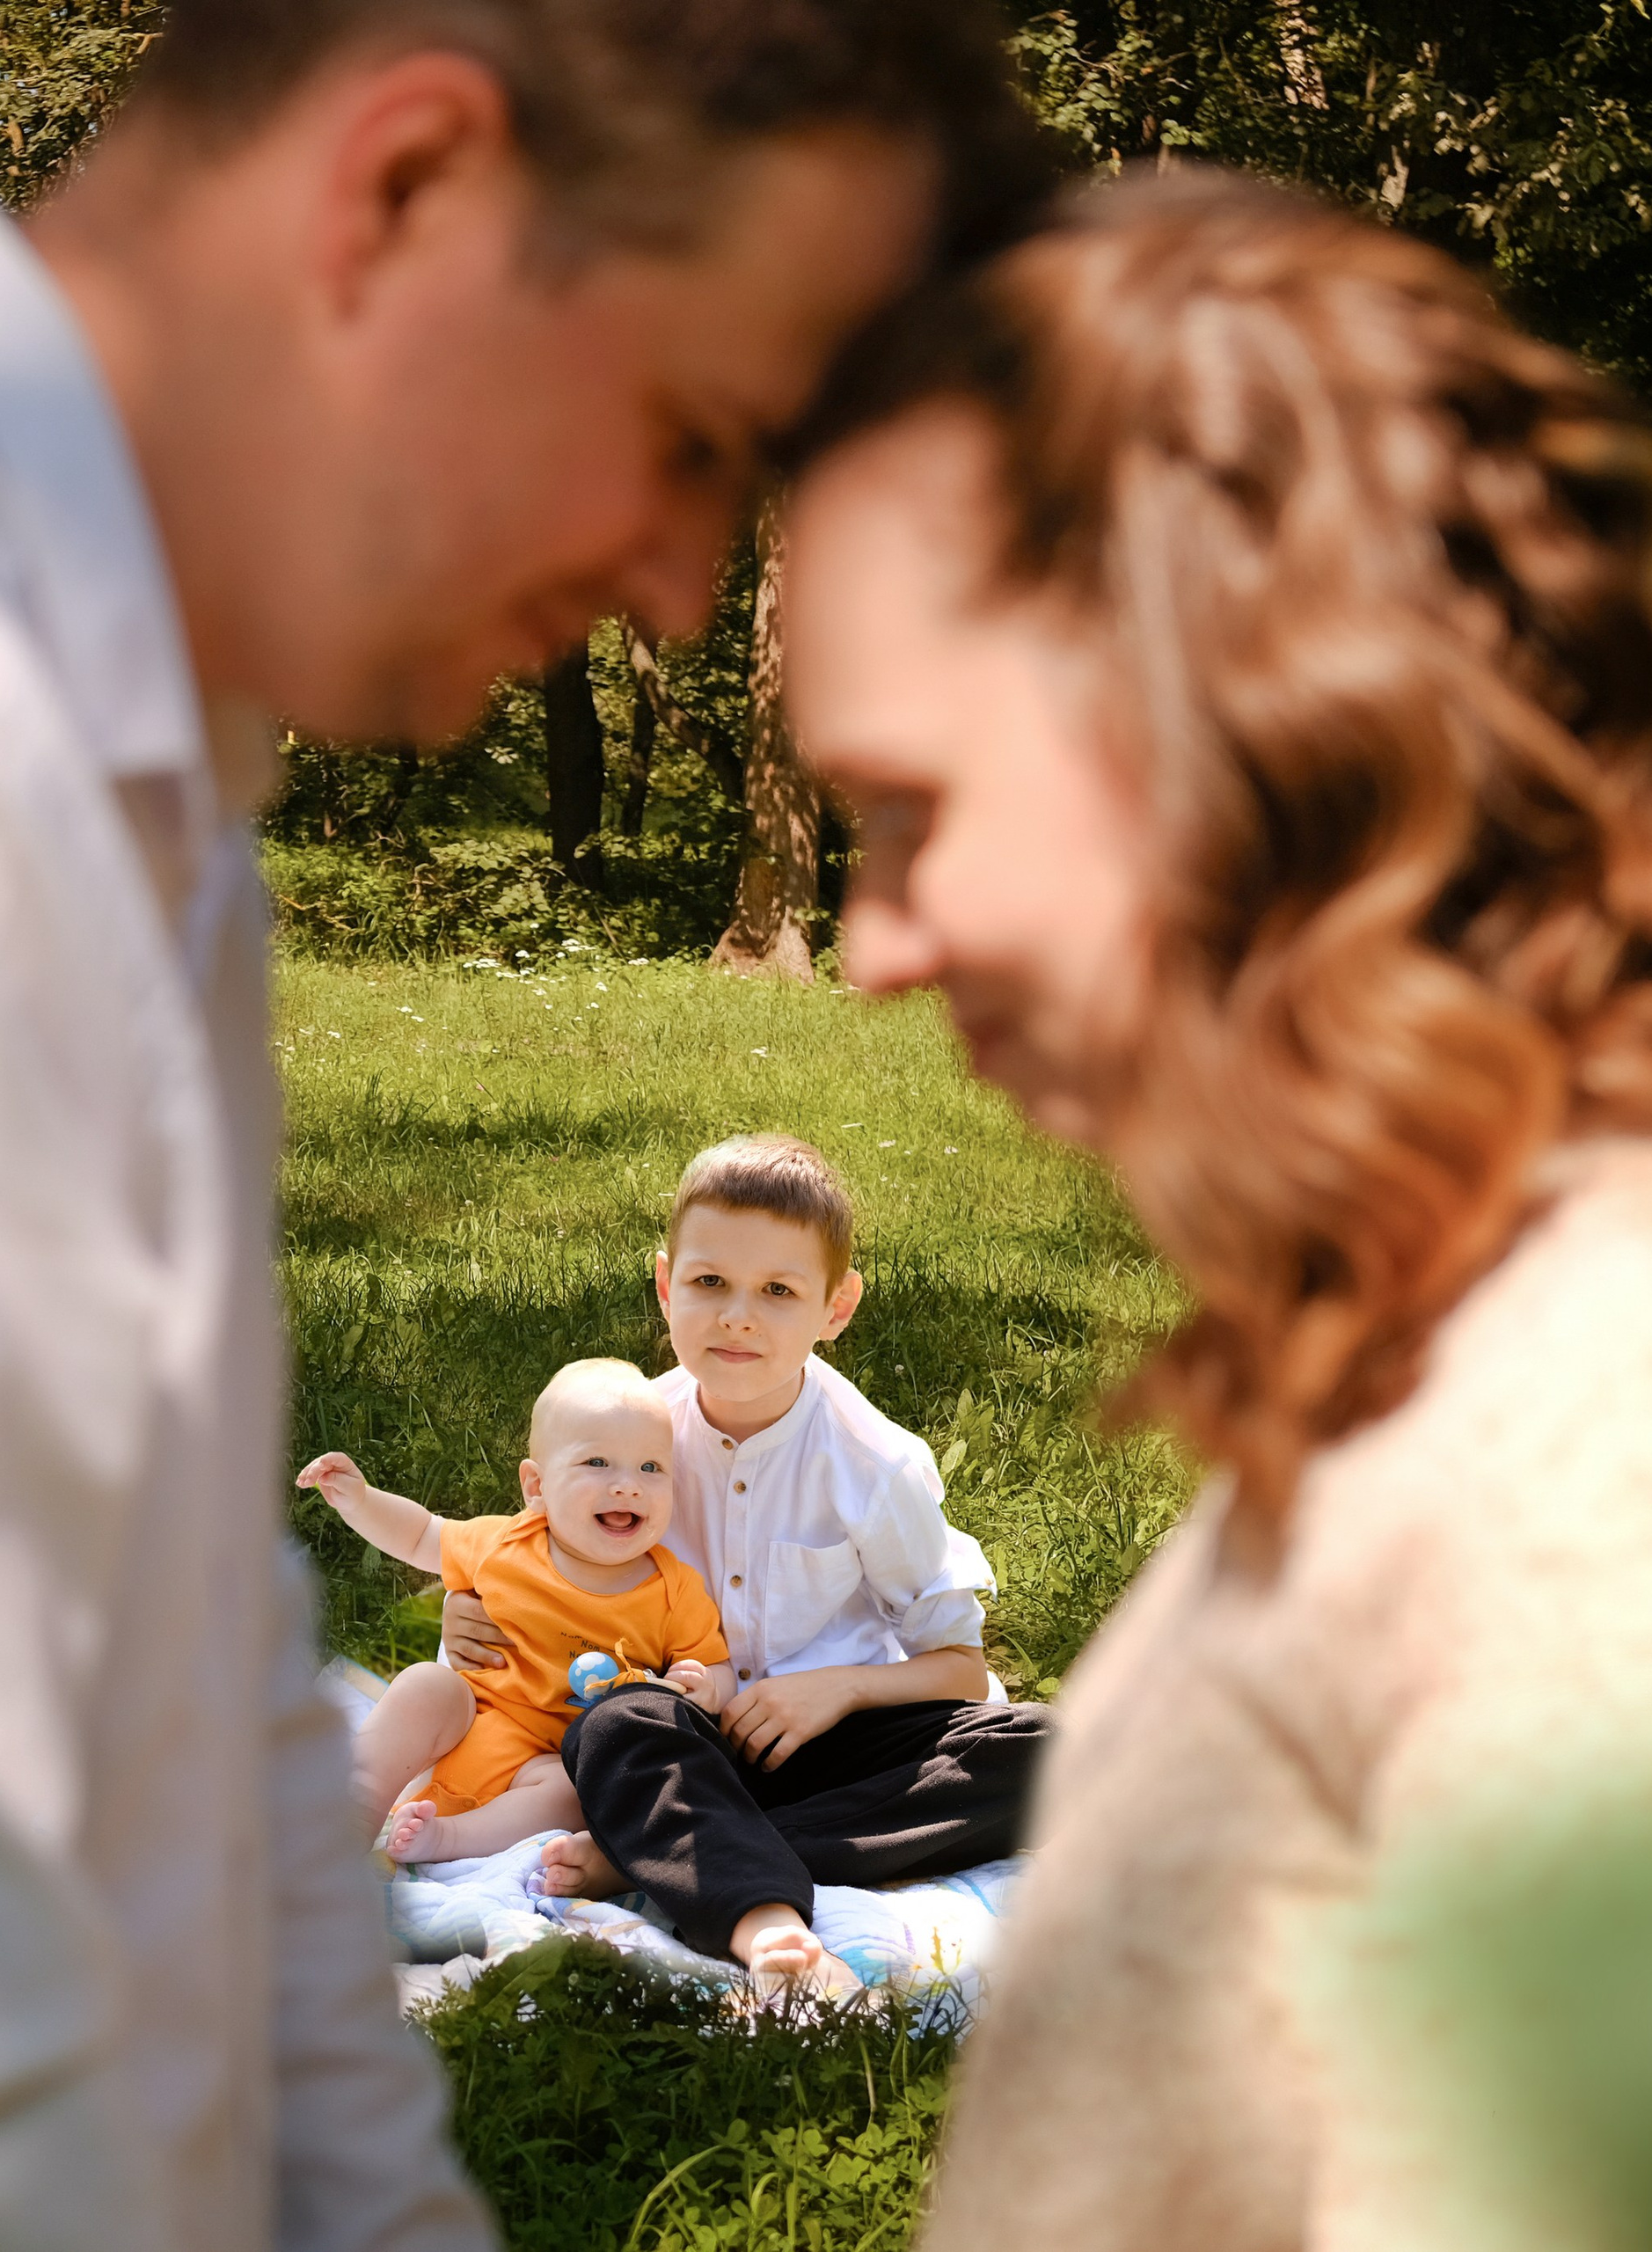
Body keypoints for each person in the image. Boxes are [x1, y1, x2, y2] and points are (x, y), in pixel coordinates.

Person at [0, 3, 1050, 2245]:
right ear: (399, 192)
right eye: (679, 434)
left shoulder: (127, 761)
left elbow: (189, 1695)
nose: (681, 586)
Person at [782, 164, 1652, 2252]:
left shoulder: (1571, 1459)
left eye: (910, 813)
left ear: (1222, 718)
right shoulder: (1441, 1331)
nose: (872, 941)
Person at [450, 1134, 1052, 1986]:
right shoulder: (629, 1435)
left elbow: (956, 1668)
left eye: (777, 1290)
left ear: (834, 1309)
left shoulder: (874, 1465)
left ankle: (660, 1849)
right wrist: (473, 1603)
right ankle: (731, 1880)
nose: (737, 1315)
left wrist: (837, 1687)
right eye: (709, 1283)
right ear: (665, 1284)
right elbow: (534, 1567)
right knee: (615, 1725)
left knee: (1047, 1748)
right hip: (684, 1734)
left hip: (837, 1739)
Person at [296, 1358, 731, 1864]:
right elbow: (420, 1534)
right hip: (468, 1719)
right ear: (537, 1486)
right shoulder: (507, 1543)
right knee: (424, 1686)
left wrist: (705, 1686)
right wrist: (360, 1500)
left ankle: (448, 1838)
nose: (628, 1485)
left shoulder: (673, 1589)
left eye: (651, 1468)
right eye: (597, 1463)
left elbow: (715, 1666)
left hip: (550, 1759)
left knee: (575, 1793)